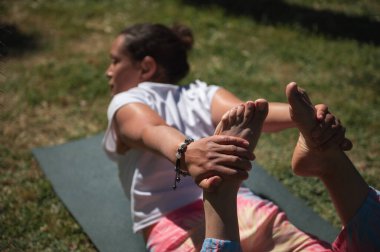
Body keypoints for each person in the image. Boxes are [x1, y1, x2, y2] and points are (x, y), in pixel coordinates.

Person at [102, 23, 350, 251]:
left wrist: (185, 153)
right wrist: (307, 115)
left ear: (146, 66)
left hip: (178, 227)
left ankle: (218, 199)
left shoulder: (126, 99)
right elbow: (255, 113)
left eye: (115, 61)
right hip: (246, 210)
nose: (108, 71)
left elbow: (150, 130)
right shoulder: (202, 94)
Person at [200, 82, 380, 251]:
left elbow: (252, 111)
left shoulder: (195, 96)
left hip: (250, 210)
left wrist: (313, 120)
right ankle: (328, 162)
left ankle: (325, 157)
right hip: (180, 224)